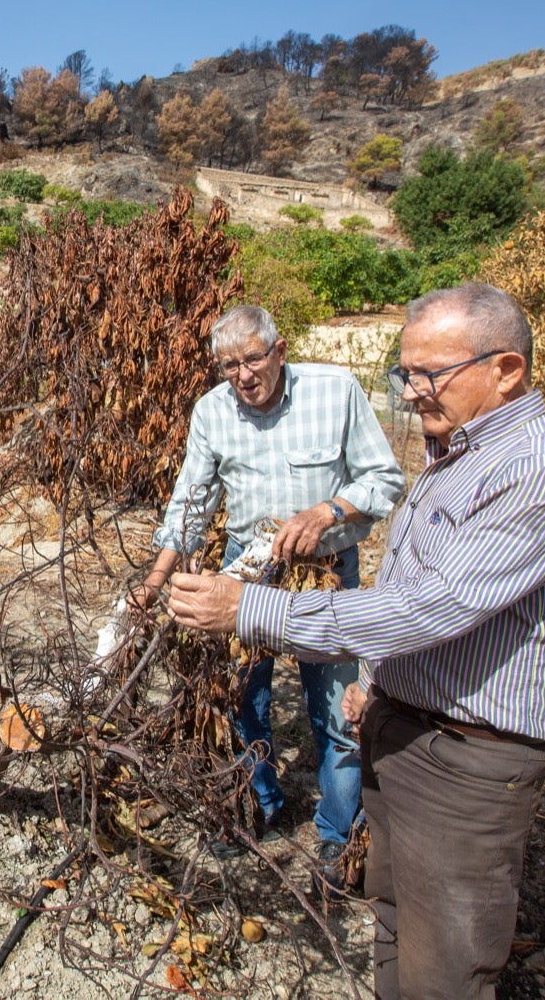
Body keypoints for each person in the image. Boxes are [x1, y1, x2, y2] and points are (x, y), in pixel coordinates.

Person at [165, 283, 545, 999]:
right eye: (404, 374)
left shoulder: (544, 468)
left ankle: (333, 834)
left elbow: (434, 603)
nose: (409, 394)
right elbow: (413, 583)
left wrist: (286, 571)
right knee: (395, 915)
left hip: (463, 746)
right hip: (367, 678)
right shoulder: (462, 455)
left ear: (506, 370)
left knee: (441, 952)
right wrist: (377, 678)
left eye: (427, 374)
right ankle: (264, 804)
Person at [134, 304, 404, 884]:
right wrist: (154, 582)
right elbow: (190, 504)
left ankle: (337, 832)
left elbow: (384, 480)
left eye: (253, 359)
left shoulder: (335, 391)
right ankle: (257, 804)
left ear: (280, 351)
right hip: (247, 568)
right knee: (241, 697)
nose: (243, 375)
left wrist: (327, 512)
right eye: (228, 365)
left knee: (338, 704)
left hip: (325, 570)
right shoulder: (212, 411)